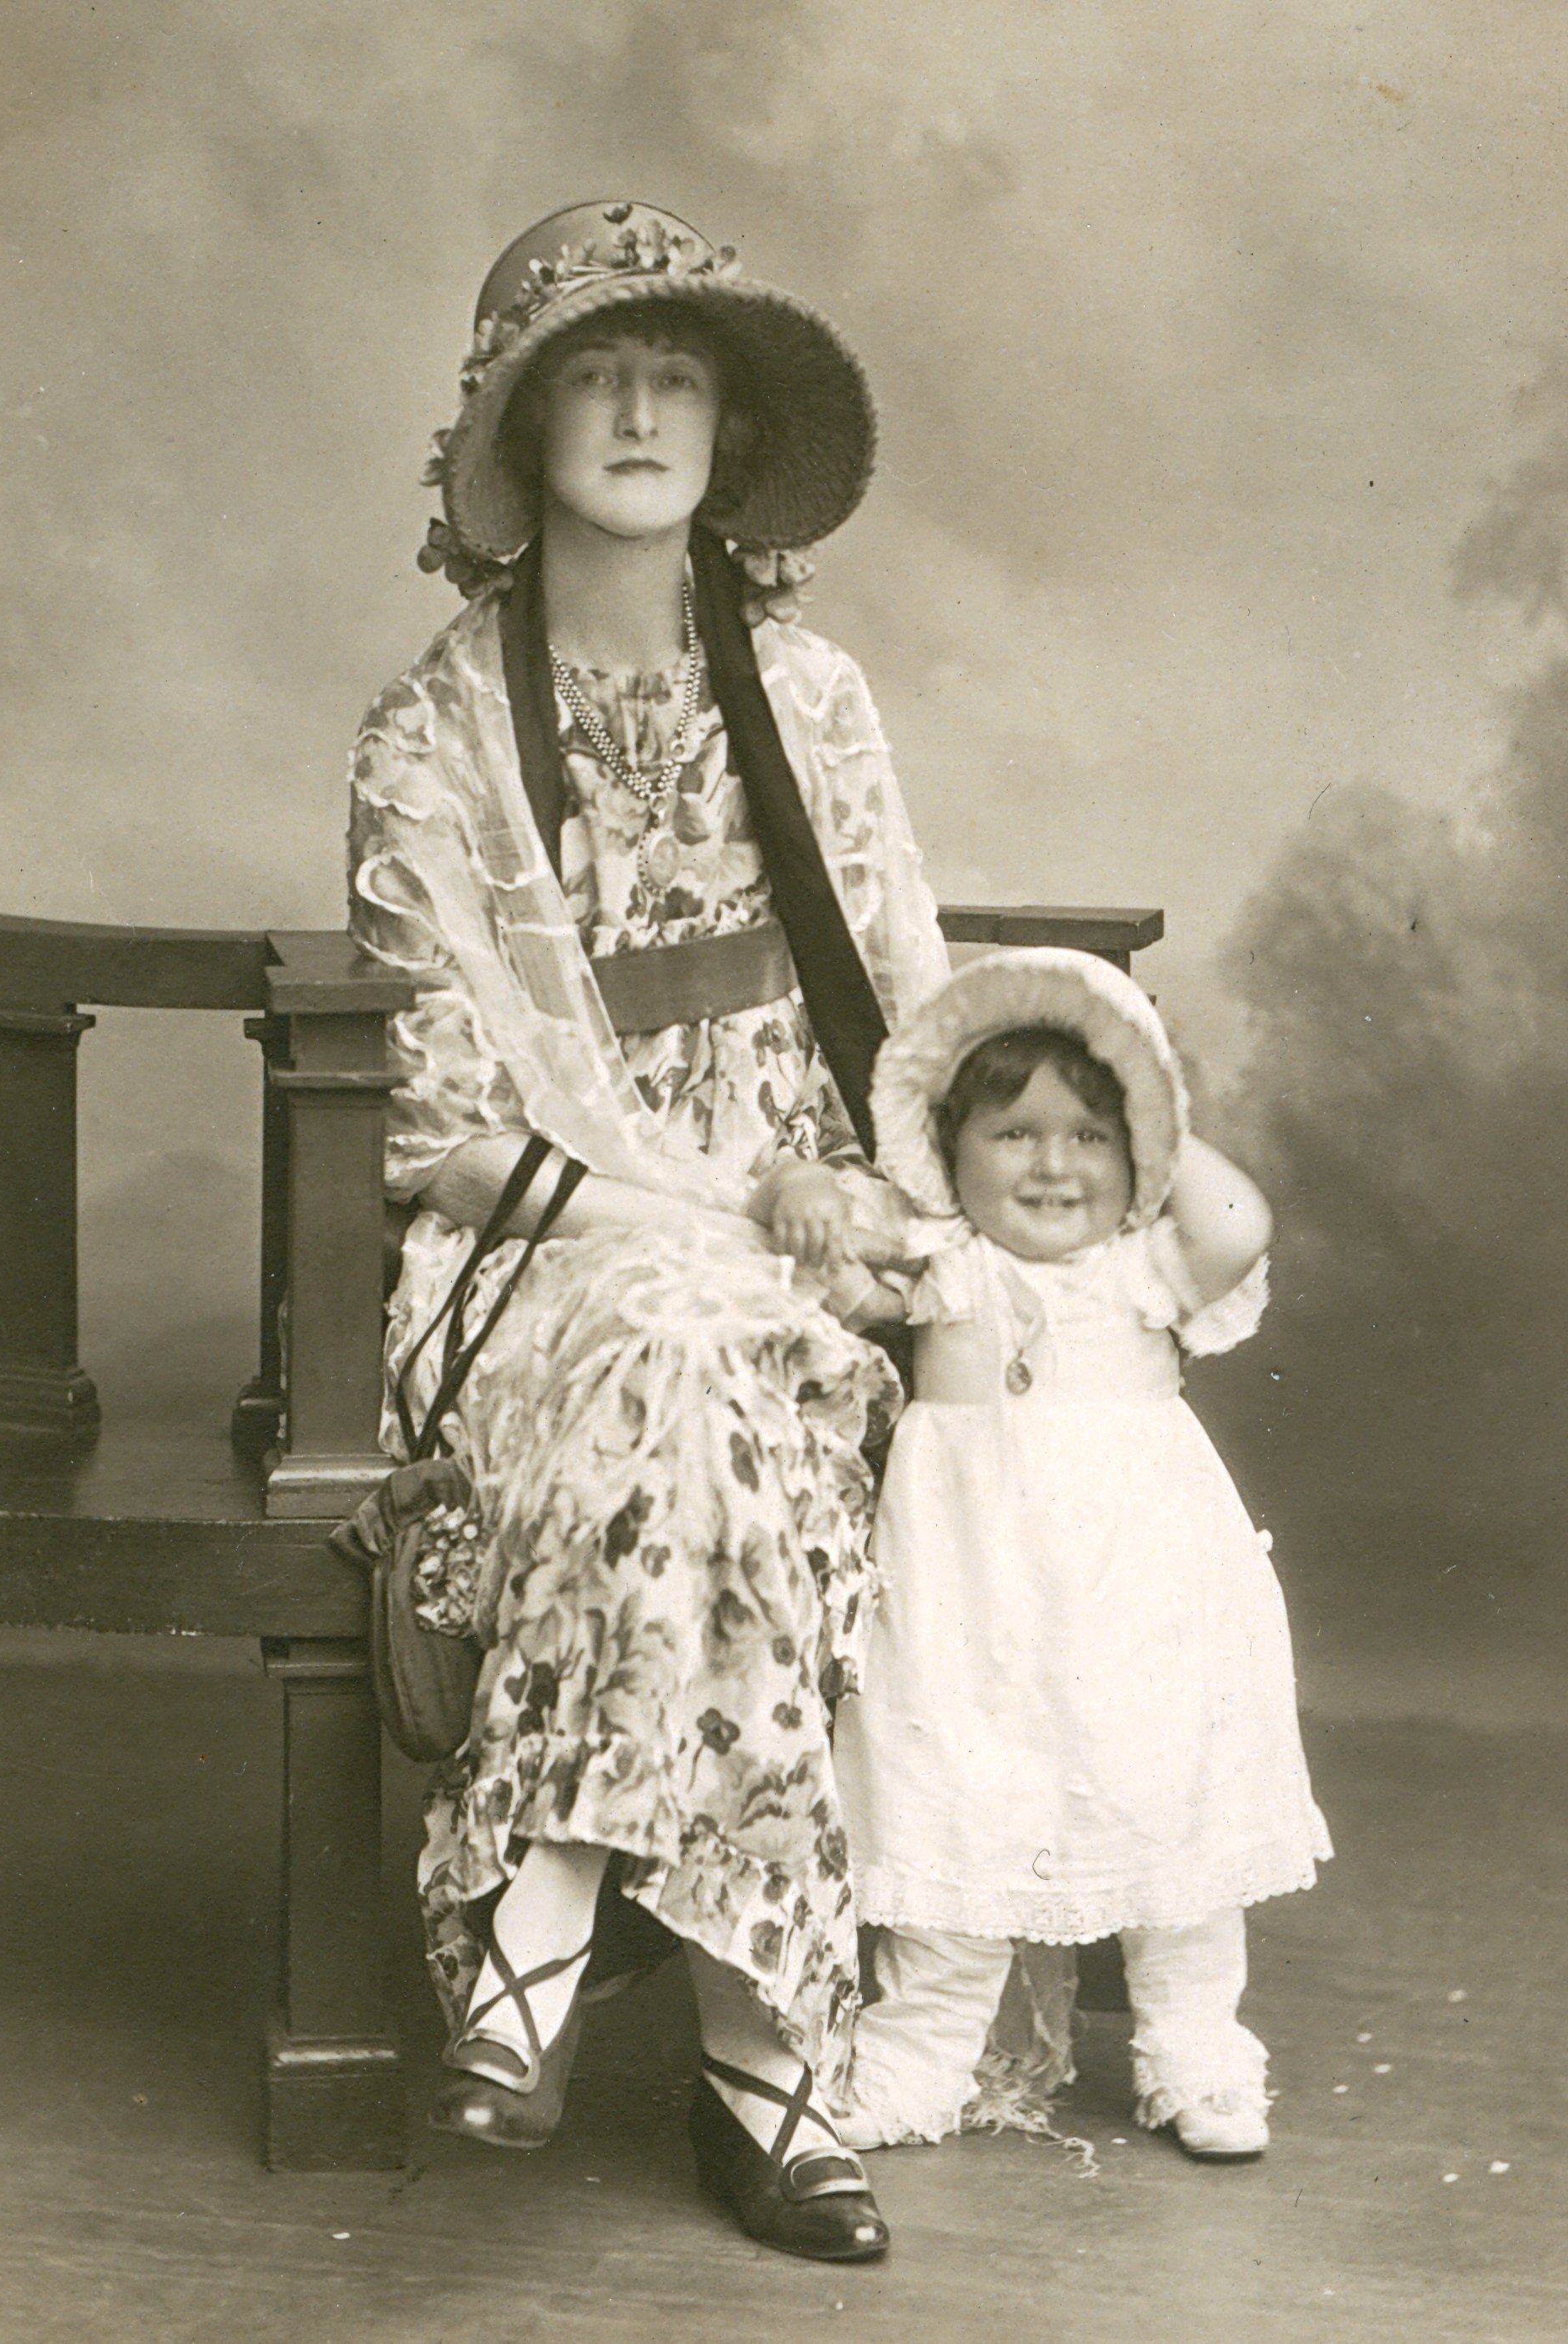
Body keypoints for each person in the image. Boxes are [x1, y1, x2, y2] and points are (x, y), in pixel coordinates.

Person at [347, 201, 950, 2262]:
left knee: (730, 1370)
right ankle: (764, 2055)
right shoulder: (430, 730)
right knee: (689, 1346)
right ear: (519, 431)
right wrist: (714, 1214)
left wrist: (836, 1203)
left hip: (809, 1243)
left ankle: (537, 1901)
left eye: (670, 372)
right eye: (589, 371)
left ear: (724, 427)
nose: (631, 407)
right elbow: (440, 1133)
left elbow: (904, 1024)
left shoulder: (815, 698)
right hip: (531, 1254)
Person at [799, 947, 1333, 2158]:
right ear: (950, 1150)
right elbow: (832, 1269)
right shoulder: (943, 1263)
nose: (1054, 1163)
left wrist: (1159, 1112)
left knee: (1166, 1794)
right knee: (950, 1791)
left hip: (1139, 1594)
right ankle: (920, 2054)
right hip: (967, 1590)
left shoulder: (1144, 1266)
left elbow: (1241, 1223)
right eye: (1016, 1133)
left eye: (1091, 1135)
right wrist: (814, 1197)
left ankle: (1194, 2047)